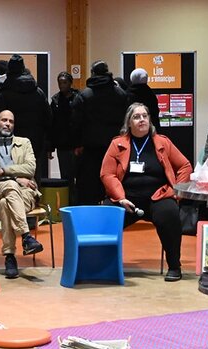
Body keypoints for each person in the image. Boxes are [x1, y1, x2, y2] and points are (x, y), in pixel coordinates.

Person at [99, 102, 192, 281]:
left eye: (144, 116)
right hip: (127, 199)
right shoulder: (117, 144)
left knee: (170, 213)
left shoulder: (163, 142)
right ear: (129, 123)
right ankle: (104, 265)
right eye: (136, 117)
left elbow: (185, 166)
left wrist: (176, 191)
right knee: (106, 215)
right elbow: (107, 174)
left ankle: (174, 266)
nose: (141, 119)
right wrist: (120, 198)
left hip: (158, 197)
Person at [0, 109, 46, 279]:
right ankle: (26, 236)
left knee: (6, 203)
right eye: (4, 120)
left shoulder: (24, 143)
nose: (7, 124)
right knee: (10, 186)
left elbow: (30, 168)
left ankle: (9, 256)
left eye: (11, 121)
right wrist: (16, 177)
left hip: (25, 192)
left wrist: (2, 170)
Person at [71, 61, 132, 205]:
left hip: (90, 147)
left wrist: (77, 144)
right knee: (113, 178)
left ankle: (89, 212)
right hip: (115, 146)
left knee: (89, 183)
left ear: (92, 73)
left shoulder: (84, 95)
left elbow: (75, 122)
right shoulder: (120, 94)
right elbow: (127, 119)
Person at [0, 55, 51, 179]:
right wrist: (47, 142)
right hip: (36, 140)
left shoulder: (4, 93)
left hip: (11, 142)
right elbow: (48, 117)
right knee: (34, 175)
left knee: (12, 176)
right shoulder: (38, 92)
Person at [49, 72, 78, 182]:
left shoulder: (78, 98)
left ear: (70, 83)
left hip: (76, 143)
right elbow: (52, 124)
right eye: (60, 83)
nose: (62, 85)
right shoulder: (55, 100)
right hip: (62, 143)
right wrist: (50, 147)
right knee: (65, 175)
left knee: (78, 174)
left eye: (65, 82)